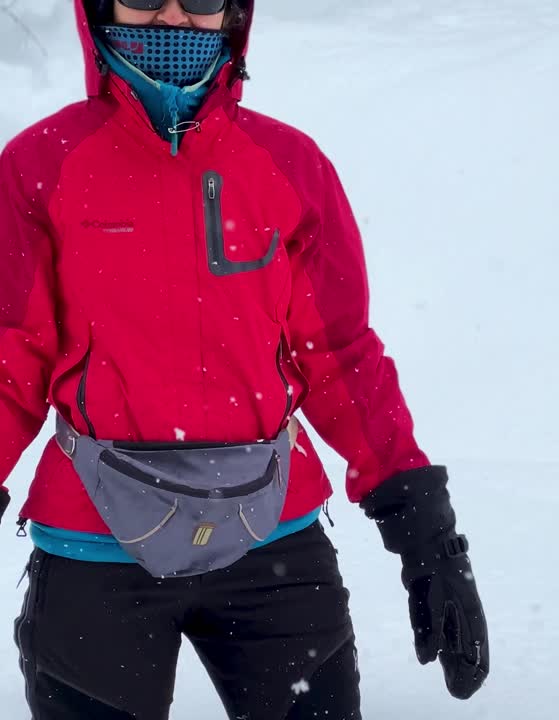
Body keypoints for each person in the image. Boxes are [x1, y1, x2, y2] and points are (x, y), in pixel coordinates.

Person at [0, 1, 489, 717]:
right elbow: (10, 361)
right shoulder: (40, 165)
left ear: (233, 12)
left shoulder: (287, 164)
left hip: (273, 544)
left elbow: (341, 358)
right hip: (95, 551)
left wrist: (425, 525)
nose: (171, 18)